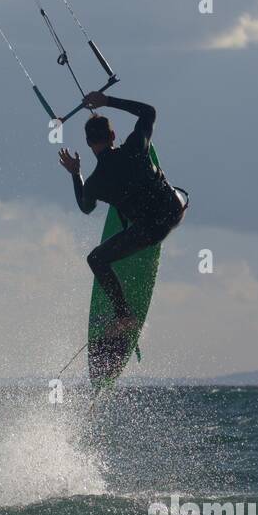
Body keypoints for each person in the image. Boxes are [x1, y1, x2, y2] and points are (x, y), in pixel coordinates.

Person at [58, 91, 187, 342]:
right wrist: (107, 101)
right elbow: (149, 111)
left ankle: (124, 316)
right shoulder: (135, 146)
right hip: (175, 209)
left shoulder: (95, 183)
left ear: (88, 144)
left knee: (96, 259)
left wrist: (75, 173)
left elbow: (86, 207)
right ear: (113, 136)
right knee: (175, 189)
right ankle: (173, 197)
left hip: (149, 232)